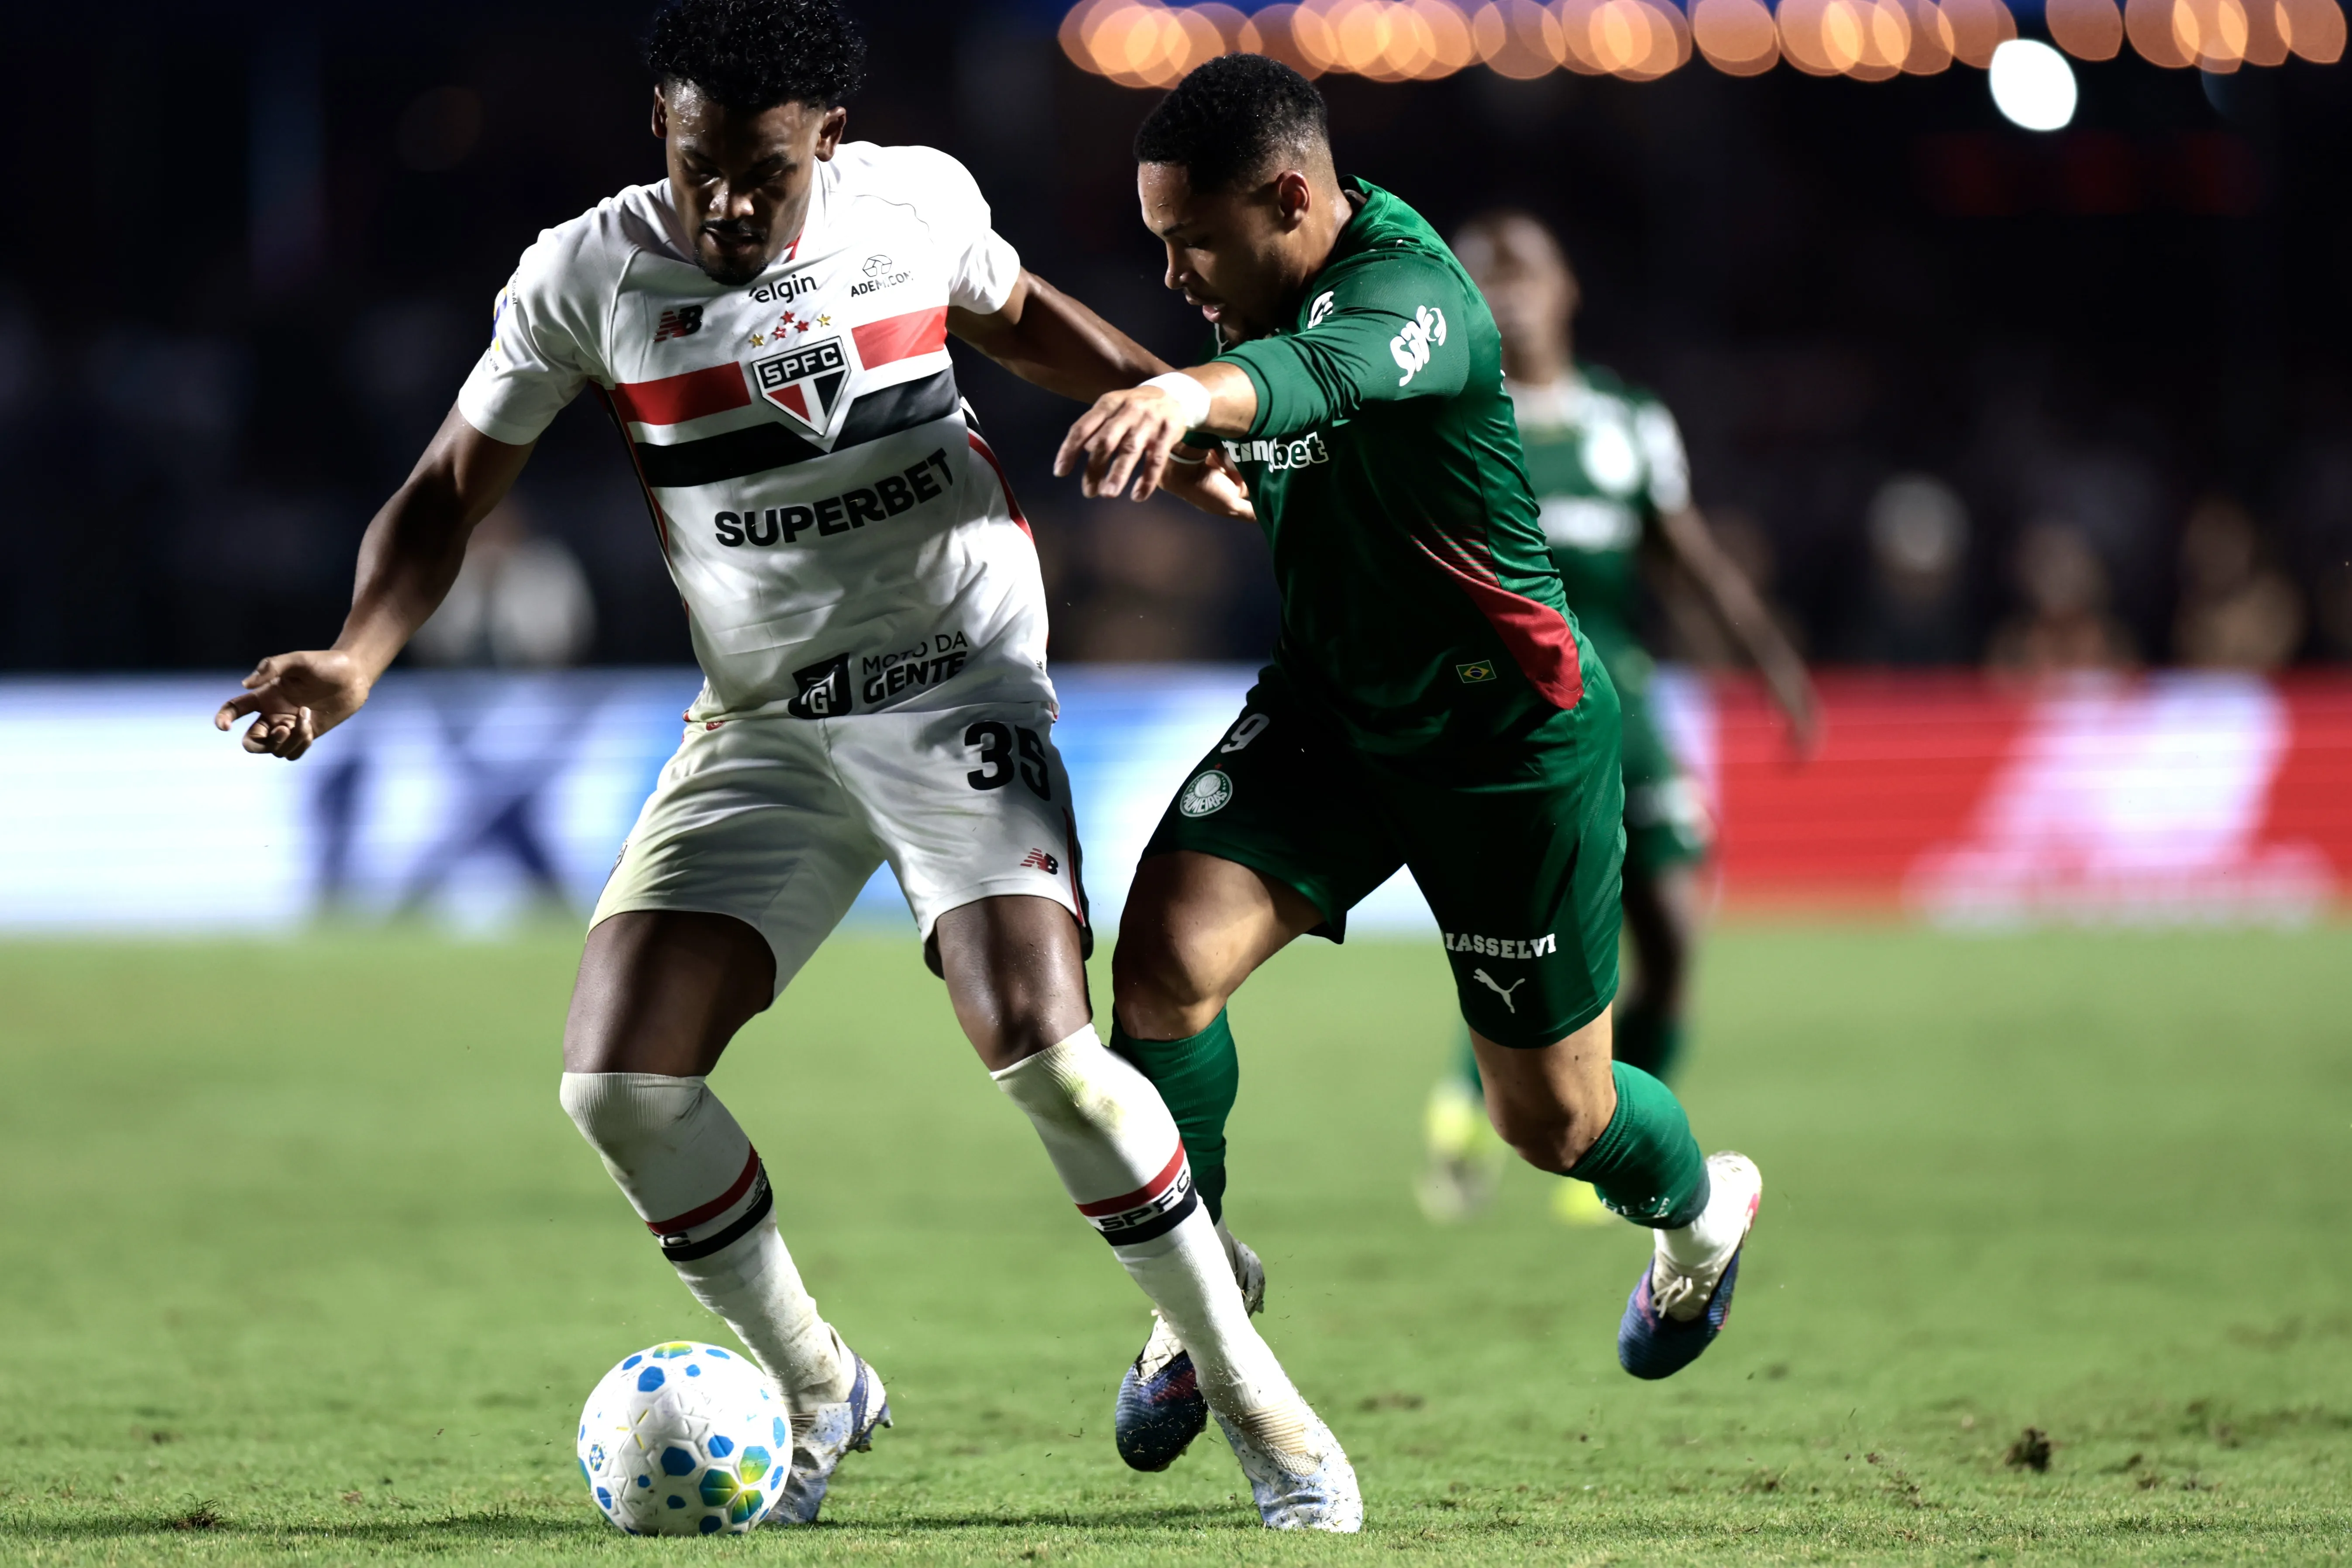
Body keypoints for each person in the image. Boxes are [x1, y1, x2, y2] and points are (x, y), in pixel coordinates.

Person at [213, 0, 1349, 1534]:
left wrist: (1162, 407)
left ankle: (1261, 1407)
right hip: (758, 723)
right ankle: (818, 1387)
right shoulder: (584, 275)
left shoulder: (911, 205)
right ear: (661, 137)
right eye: (701, 169)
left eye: (764, 171)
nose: (730, 206)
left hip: (952, 685)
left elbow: (1017, 315)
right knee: (619, 1086)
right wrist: (358, 656)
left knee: (1042, 1047)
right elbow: (447, 489)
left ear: (828, 138)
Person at [1053, 54, 1767, 1491]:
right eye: (1160, 246)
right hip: (1330, 713)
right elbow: (1254, 387)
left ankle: (1701, 1218)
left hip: (1500, 743)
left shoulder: (1413, 294)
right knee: (1160, 971)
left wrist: (1190, 399)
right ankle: (1197, 1293)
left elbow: (1315, 375)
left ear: (1289, 199)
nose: (1177, 275)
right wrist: (1182, 407)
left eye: (1193, 242)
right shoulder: (1255, 305)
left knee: (1550, 1121)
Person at [1420, 212, 1818, 1224]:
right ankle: (1473, 1106)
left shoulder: (1628, 419)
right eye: (1486, 277)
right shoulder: (1450, 414)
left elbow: (1685, 554)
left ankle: (1614, 1153)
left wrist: (1774, 664)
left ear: (1568, 290)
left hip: (1622, 699)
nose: (1509, 294)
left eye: (1527, 273)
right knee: (1536, 945)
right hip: (1510, 715)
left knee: (1674, 932)